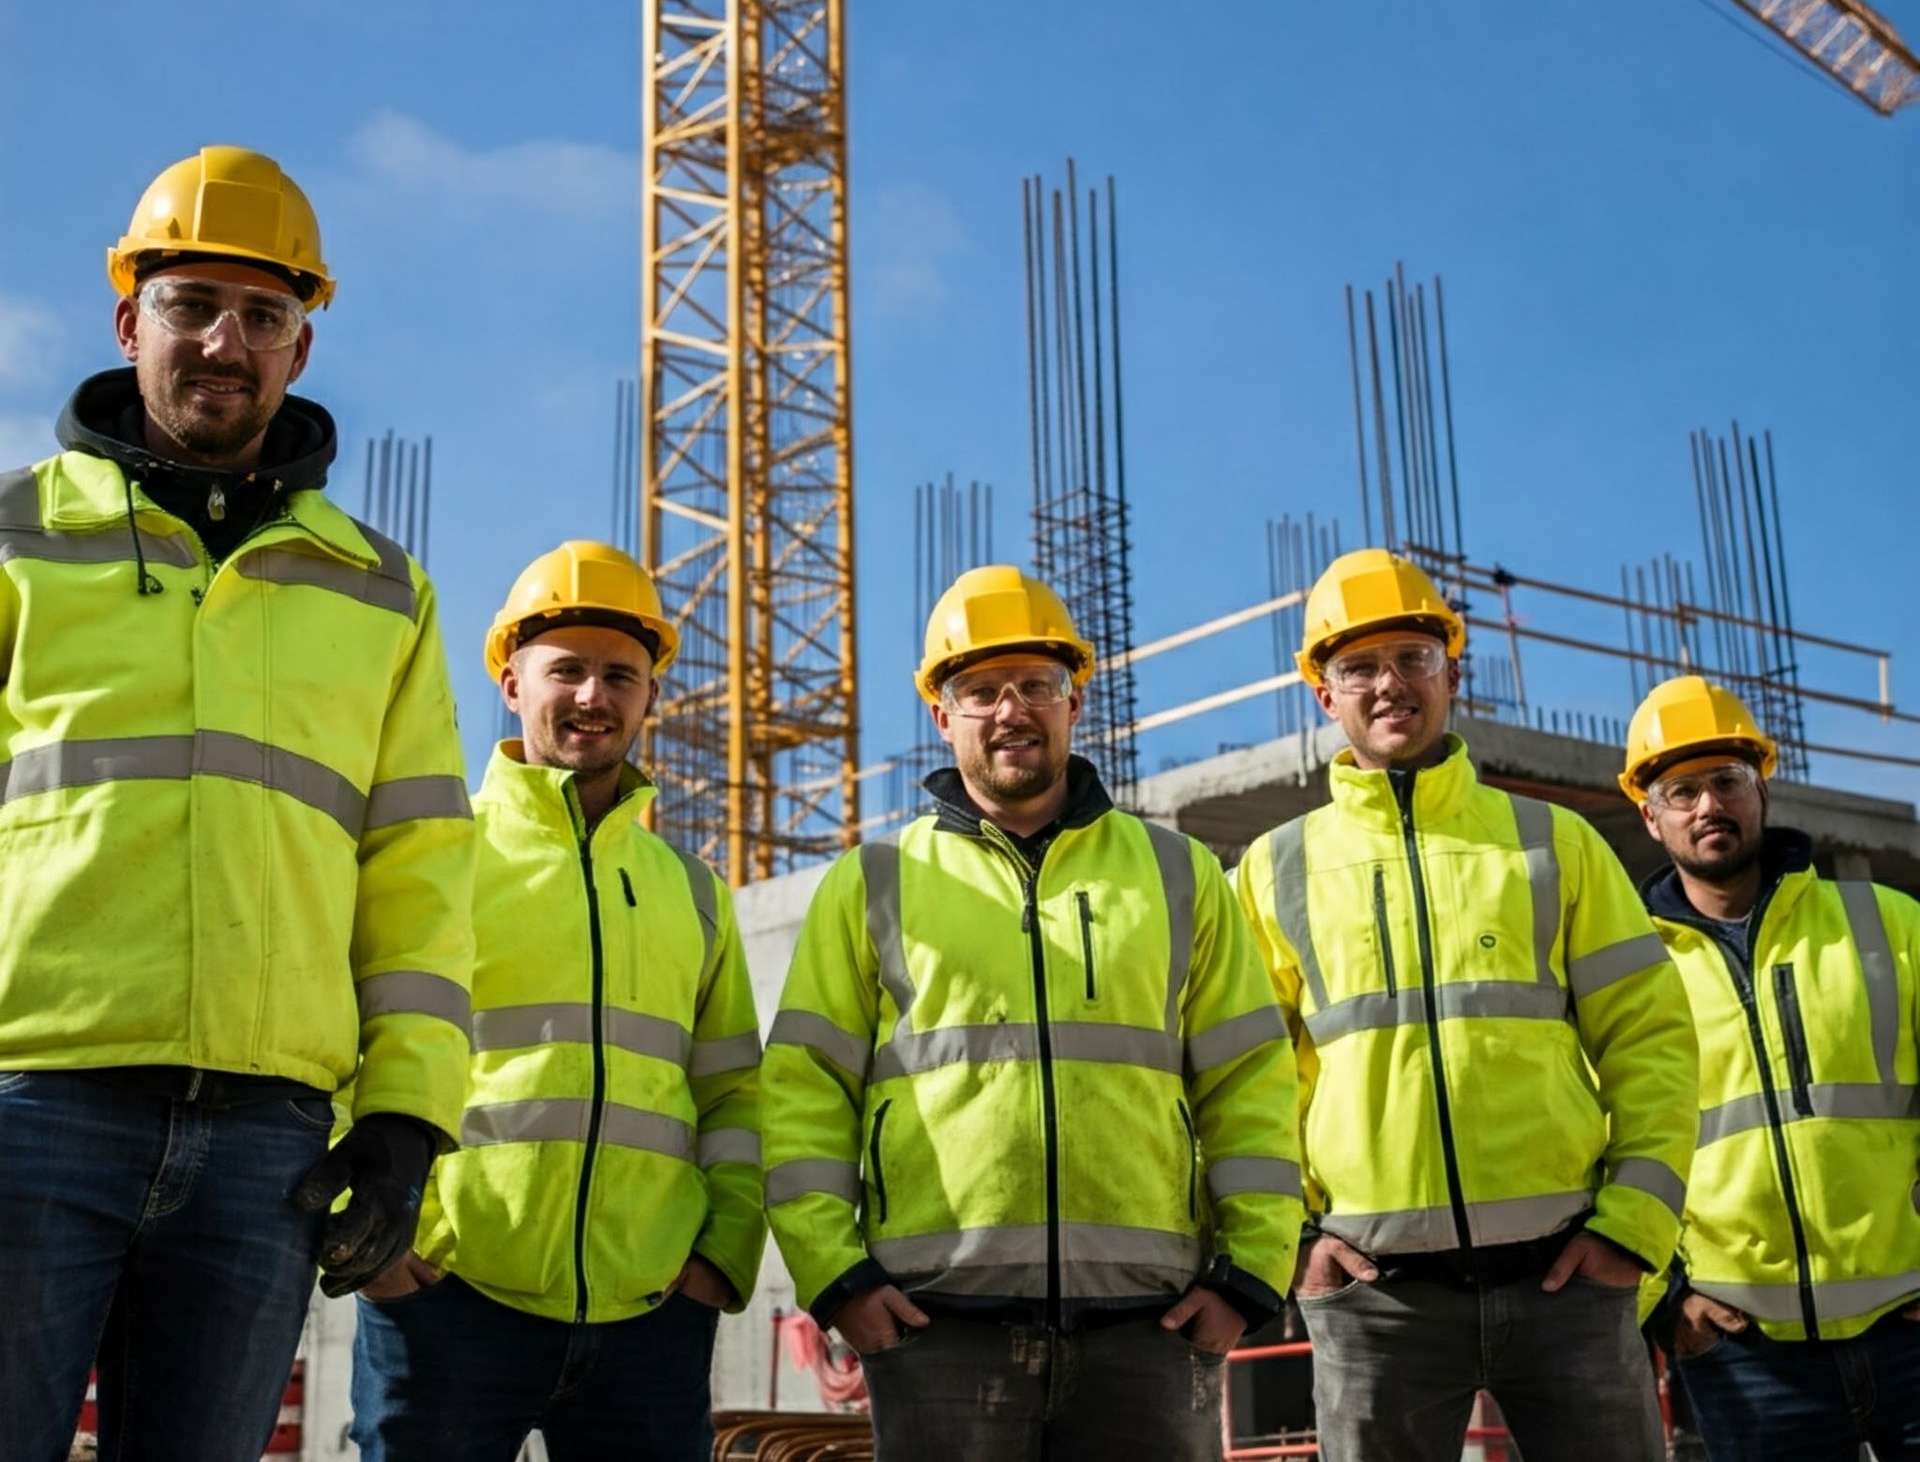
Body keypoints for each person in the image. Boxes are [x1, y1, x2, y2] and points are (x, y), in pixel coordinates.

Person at [0, 146, 475, 1462]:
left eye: (263, 316)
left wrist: (404, 1118)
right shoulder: (17, 541)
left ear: (301, 348)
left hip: (268, 1139)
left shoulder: (382, 590)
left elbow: (420, 873)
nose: (225, 340)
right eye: (192, 303)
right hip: (32, 1104)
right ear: (126, 321)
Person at [764, 564, 1301, 1461]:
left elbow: (1249, 1078)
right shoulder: (875, 882)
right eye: (979, 690)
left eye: (1036, 686)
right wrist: (835, 1277)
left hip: (1150, 1328)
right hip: (936, 1327)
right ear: (942, 715)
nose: (1011, 709)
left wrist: (1248, 1275)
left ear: (1073, 702)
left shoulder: (1176, 873)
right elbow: (803, 1091)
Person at [1233, 548, 1698, 1462]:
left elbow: (1652, 1039)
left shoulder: (1551, 842)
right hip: (1375, 1302)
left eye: (1413, 658)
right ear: (1323, 696)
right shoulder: (1272, 868)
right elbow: (1241, 1082)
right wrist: (1292, 1245)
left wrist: (1631, 1230)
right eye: (1358, 667)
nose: (1388, 685)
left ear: (1454, 670)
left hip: (1569, 1283)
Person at [351, 540, 764, 1462]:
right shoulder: (432, 851)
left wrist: (721, 1257)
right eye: (565, 670)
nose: (593, 696)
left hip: (651, 1312)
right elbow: (345, 1034)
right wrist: (380, 1250)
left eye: (621, 675)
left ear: (651, 697)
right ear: (509, 681)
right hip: (445, 1294)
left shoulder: (693, 892)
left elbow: (736, 1094)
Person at [1629, 673, 1920, 1460]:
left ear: (1763, 789)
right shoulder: (1629, 972)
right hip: (1743, 1350)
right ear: (1650, 817)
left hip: (1912, 1325)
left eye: (1727, 781)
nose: (1707, 807)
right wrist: (1665, 1307)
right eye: (1681, 790)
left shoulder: (1888, 924)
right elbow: (1601, 1150)